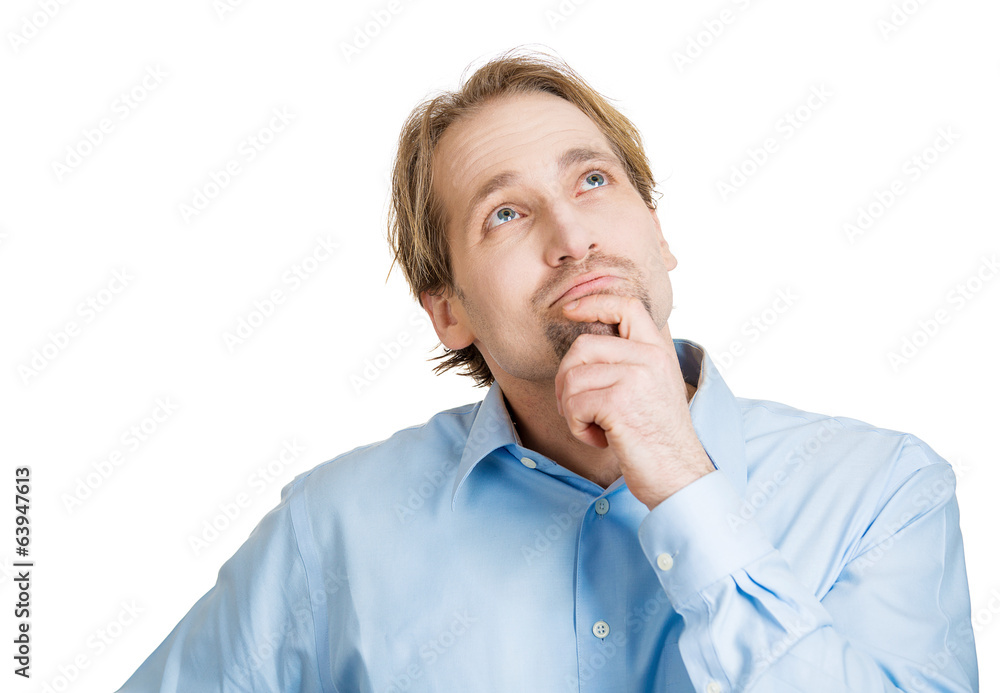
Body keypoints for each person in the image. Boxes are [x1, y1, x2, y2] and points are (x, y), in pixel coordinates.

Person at [116, 47, 978, 692]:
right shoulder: (332, 528)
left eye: (594, 181)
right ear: (446, 310)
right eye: (505, 214)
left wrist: (682, 480)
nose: (572, 238)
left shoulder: (883, 491)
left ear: (659, 231)